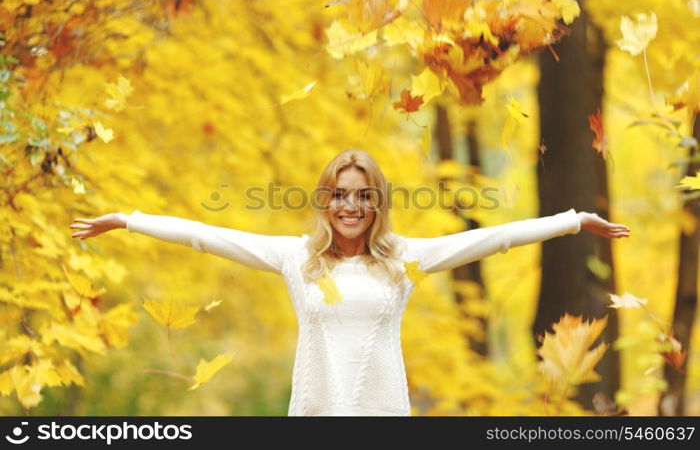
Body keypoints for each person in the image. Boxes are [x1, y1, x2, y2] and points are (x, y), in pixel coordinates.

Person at [69, 149, 630, 416]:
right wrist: (128, 220)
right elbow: (204, 236)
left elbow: (497, 239)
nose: (351, 206)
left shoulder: (404, 260)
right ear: (325, 201)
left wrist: (574, 220)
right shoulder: (296, 259)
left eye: (363, 195)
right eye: (340, 194)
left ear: (378, 203)